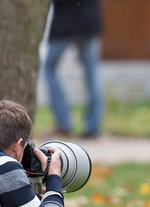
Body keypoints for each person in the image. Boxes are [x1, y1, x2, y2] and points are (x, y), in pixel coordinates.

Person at [43, 0, 104, 138]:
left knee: (48, 68)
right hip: (88, 21)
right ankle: (93, 126)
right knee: (92, 74)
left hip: (65, 23)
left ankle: (64, 122)